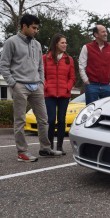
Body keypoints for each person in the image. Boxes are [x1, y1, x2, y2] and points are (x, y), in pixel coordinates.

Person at [0, 14, 63, 162]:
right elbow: (3, 65)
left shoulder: (37, 44)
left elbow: (41, 66)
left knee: (44, 119)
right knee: (20, 120)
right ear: (24, 26)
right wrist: (13, 83)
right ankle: (22, 152)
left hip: (37, 86)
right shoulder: (11, 42)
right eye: (34, 28)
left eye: (37, 28)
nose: (36, 30)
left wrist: (41, 81)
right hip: (19, 85)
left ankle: (45, 148)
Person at [43, 33, 76, 155]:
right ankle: (50, 147)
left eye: (65, 43)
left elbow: (72, 77)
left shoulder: (69, 59)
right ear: (56, 43)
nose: (65, 45)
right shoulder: (45, 58)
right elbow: (42, 75)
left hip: (64, 95)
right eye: (62, 42)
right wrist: (46, 87)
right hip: (49, 95)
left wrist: (67, 88)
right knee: (51, 120)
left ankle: (60, 147)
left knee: (61, 120)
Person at [78, 24, 110, 104]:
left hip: (107, 86)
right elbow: (81, 66)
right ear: (96, 34)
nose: (106, 34)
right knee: (90, 111)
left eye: (106, 31)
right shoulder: (86, 47)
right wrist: (86, 81)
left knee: (106, 112)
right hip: (91, 85)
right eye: (103, 32)